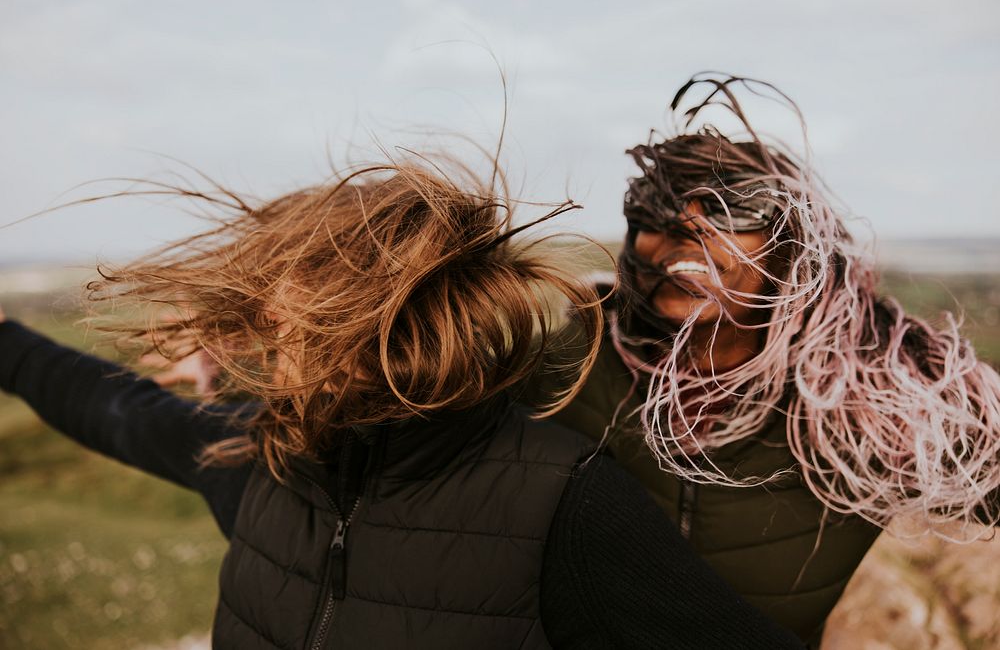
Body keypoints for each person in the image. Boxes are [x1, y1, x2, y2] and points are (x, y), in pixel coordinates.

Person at [0, 155, 805, 648]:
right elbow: (113, 409)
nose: (262, 326)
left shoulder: (561, 500)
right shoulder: (267, 456)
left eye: (285, 306)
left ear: (386, 319)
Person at [530, 74, 1000, 646]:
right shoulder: (570, 358)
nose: (686, 227)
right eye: (654, 212)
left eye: (731, 209)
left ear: (792, 243)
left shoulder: (876, 395)